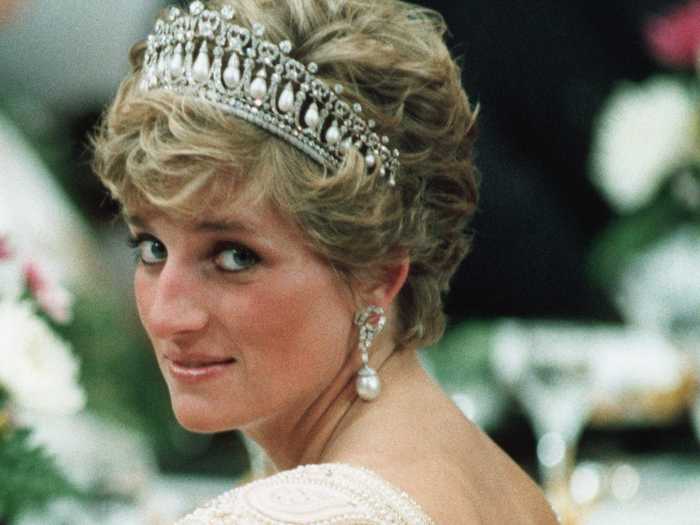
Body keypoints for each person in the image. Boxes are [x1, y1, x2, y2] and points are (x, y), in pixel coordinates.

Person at [92, 0, 558, 523]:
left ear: (377, 274)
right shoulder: (496, 479)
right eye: (152, 248)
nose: (167, 315)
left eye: (234, 256)